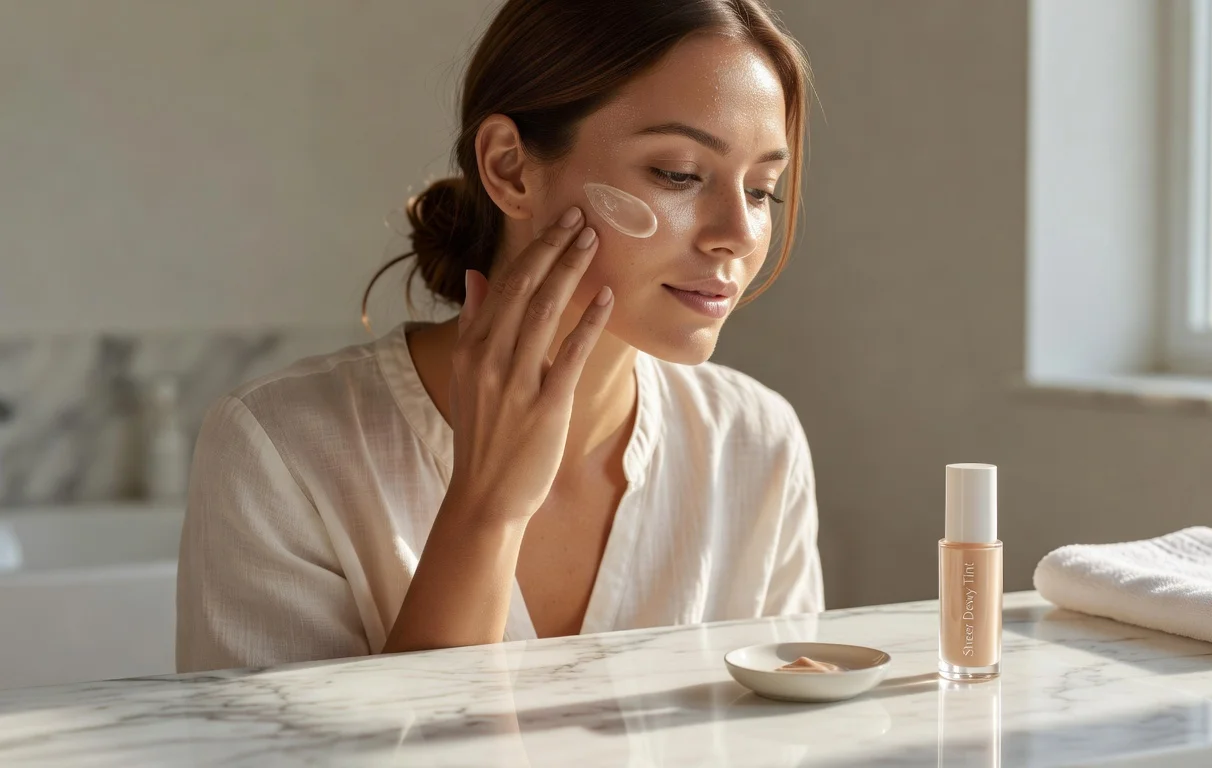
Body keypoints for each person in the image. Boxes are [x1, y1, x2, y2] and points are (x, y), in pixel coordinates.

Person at [176, 0, 821, 672]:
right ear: (510, 168)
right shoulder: (283, 448)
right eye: (679, 174)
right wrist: (486, 511)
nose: (740, 236)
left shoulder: (754, 442)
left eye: (761, 189)